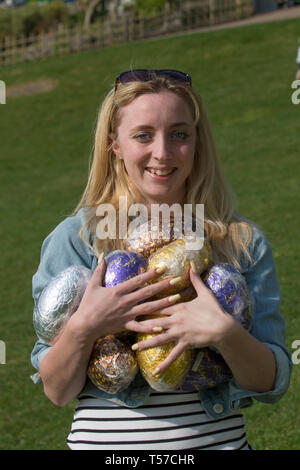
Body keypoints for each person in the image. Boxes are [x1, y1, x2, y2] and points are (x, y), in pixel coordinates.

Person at [31, 69, 292, 450]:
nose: (163, 152)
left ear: (197, 142)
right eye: (143, 135)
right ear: (114, 145)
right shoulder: (76, 239)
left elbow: (271, 383)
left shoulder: (239, 241)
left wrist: (225, 334)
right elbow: (57, 391)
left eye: (180, 134)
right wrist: (85, 326)